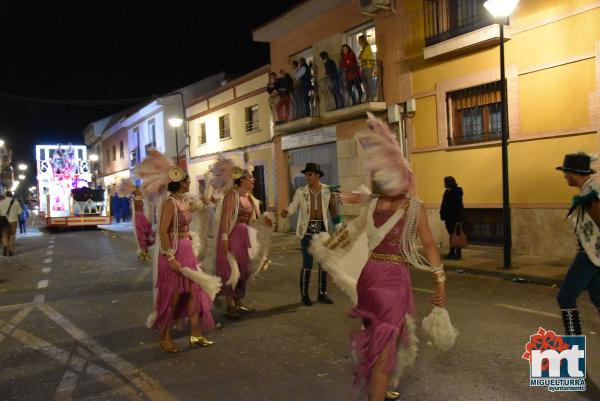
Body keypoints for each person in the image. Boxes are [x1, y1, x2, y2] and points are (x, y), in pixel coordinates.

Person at [310, 113, 452, 401]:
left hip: (369, 278)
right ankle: (378, 390)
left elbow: (348, 234)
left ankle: (379, 384)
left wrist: (327, 247)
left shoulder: (373, 204)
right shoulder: (414, 207)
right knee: (385, 353)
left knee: (383, 339)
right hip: (392, 283)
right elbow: (429, 246)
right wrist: (440, 282)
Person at [137, 150, 218, 353]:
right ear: (182, 182)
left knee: (194, 293)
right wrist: (170, 257)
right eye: (188, 180)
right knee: (172, 297)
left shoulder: (183, 200)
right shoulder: (169, 202)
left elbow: (197, 209)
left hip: (186, 249)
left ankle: (196, 334)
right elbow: (163, 231)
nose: (190, 183)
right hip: (173, 252)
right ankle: (165, 337)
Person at [281, 163, 339, 306]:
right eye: (306, 175)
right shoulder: (301, 191)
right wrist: (287, 211)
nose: (307, 177)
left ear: (317, 175)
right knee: (307, 263)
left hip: (322, 231)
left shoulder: (327, 190)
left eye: (310, 174)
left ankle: (322, 294)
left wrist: (339, 227)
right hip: (306, 231)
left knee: (323, 263)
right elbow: (294, 205)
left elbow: (332, 209)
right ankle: (304, 295)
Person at [555, 152, 600, 335]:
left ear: (573, 172)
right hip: (595, 254)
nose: (564, 176)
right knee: (597, 296)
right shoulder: (590, 190)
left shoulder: (591, 194)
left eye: (565, 172)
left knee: (565, 297)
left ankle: (573, 339)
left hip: (590, 254)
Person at [215, 167, 262, 318]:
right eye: (251, 177)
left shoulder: (248, 197)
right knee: (231, 270)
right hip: (233, 235)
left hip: (244, 236)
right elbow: (227, 217)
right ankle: (230, 306)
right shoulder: (232, 195)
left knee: (243, 270)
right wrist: (224, 238)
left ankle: (239, 303)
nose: (253, 179)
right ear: (242, 179)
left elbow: (253, 218)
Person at [440, 176, 464, 260]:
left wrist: (458, 219)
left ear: (450, 182)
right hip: (448, 217)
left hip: (455, 217)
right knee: (451, 235)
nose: (444, 184)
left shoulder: (457, 190)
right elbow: (444, 204)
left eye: (446, 182)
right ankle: (451, 252)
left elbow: (458, 205)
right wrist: (442, 214)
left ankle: (458, 253)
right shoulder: (446, 192)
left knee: (456, 235)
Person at [133, 187, 155, 261]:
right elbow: (133, 211)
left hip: (143, 217)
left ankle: (145, 252)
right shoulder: (134, 200)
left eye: (140, 190)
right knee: (142, 234)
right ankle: (143, 252)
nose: (140, 191)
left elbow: (148, 205)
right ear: (135, 192)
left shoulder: (142, 198)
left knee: (146, 234)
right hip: (139, 218)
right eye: (138, 190)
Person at [0, 191, 23, 257]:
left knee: (4, 236)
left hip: (4, 221)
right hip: (13, 221)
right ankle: (10, 251)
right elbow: (20, 212)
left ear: (5, 195)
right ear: (12, 195)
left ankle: (5, 246)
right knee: (12, 236)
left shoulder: (1, 202)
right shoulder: (16, 202)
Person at [358, 35, 376, 101]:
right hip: (364, 67)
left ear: (362, 40)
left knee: (368, 81)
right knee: (365, 82)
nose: (358, 42)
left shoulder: (367, 47)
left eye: (359, 40)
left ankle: (371, 97)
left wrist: (361, 56)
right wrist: (361, 55)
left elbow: (362, 57)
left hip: (369, 66)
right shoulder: (363, 48)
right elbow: (359, 57)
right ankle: (368, 96)